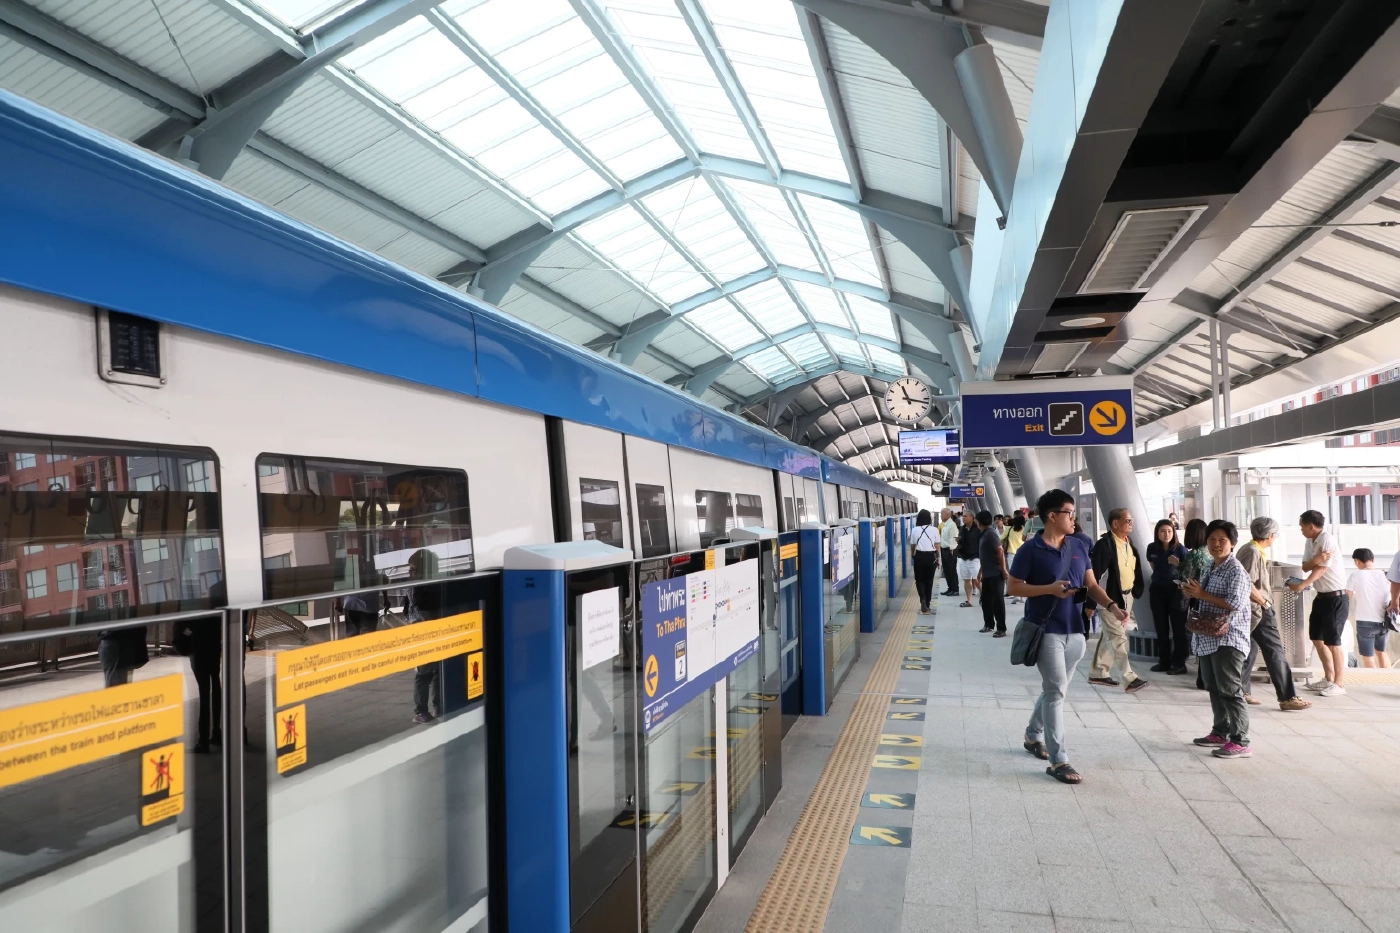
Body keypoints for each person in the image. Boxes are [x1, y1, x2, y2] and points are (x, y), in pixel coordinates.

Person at [1010, 489, 1127, 785]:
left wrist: (1112, 606)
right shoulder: (1030, 550)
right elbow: (1013, 586)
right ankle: (1059, 760)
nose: (1075, 518)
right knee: (1056, 692)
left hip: (1076, 629)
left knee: (1056, 689)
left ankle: (1032, 735)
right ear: (1052, 516)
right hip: (1046, 628)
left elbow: (1092, 584)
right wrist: (1048, 589)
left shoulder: (1078, 545)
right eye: (1070, 513)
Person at [1182, 520, 1253, 759]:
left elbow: (1234, 603)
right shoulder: (1210, 566)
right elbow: (1204, 597)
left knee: (1231, 690)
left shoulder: (1236, 571)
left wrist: (1201, 594)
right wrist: (1192, 591)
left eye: (1222, 540)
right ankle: (1220, 731)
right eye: (1212, 539)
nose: (1216, 544)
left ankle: (1241, 741)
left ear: (1232, 543)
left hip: (1229, 638)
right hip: (1209, 636)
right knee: (1214, 687)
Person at [1236, 518, 1311, 711]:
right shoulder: (1252, 552)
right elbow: (1247, 583)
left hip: (1251, 610)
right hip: (1258, 610)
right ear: (1270, 535)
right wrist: (1264, 603)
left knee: (1250, 651)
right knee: (1275, 651)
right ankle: (1287, 697)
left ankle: (1240, 691)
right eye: (1275, 534)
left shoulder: (1249, 549)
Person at [1087, 508, 1149, 692]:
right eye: (1127, 520)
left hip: (1127, 596)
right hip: (1109, 598)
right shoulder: (1104, 545)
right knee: (1118, 637)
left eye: (1131, 520)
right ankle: (1129, 678)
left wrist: (1135, 591)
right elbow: (1093, 577)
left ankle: (1098, 672)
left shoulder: (1129, 543)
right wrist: (1090, 603)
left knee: (1110, 634)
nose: (1131, 523)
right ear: (1115, 523)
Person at [1288, 510, 1348, 696]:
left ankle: (1339, 684)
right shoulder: (1310, 541)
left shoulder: (1327, 540)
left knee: (1333, 642)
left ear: (1311, 526)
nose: (1301, 530)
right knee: (1316, 637)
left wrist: (1303, 585)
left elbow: (1321, 569)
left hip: (1336, 597)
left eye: (1302, 526)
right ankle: (1329, 678)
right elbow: (1306, 566)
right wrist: (1317, 559)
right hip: (1321, 596)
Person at [403, 549, 443, 724]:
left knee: (437, 671)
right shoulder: (419, 585)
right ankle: (421, 710)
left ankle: (437, 706)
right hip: (423, 630)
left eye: (415, 570)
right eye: (411, 570)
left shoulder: (427, 583)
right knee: (424, 672)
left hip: (430, 628)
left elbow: (407, 608)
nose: (411, 574)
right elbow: (418, 605)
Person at [1146, 519, 1189, 674]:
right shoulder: (1152, 548)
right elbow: (1154, 567)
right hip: (1157, 590)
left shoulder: (1181, 550)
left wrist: (1178, 564)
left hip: (1176, 592)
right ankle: (1163, 661)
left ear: (1174, 533)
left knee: (1178, 628)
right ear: (1157, 533)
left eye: (1169, 531)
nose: (1166, 534)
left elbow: (1188, 573)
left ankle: (1179, 663)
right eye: (1163, 531)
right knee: (1160, 627)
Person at [1347, 547, 1390, 671]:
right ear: (1373, 560)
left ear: (1357, 561)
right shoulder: (1385, 575)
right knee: (1381, 652)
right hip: (1385, 620)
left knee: (1368, 658)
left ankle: (1374, 681)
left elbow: (1347, 598)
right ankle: (1388, 680)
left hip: (1365, 622)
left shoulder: (1355, 575)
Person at [976, 510, 1009, 636]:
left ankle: (1001, 628)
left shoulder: (990, 534)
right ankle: (989, 624)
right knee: (985, 601)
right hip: (987, 573)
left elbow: (1000, 551)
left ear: (979, 522)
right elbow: (985, 556)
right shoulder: (984, 534)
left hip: (995, 573)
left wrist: (1003, 570)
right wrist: (981, 571)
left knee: (997, 601)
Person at [910, 509, 940, 614]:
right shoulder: (935, 530)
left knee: (919, 580)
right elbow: (937, 546)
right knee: (929, 581)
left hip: (919, 556)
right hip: (931, 557)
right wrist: (938, 559)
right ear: (929, 518)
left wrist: (913, 556)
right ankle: (927, 604)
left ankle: (922, 598)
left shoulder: (915, 530)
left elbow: (913, 546)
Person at [957, 510, 981, 607]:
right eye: (963, 516)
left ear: (972, 517)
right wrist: (959, 541)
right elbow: (962, 541)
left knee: (977, 580)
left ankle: (984, 597)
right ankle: (969, 600)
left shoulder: (978, 529)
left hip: (975, 558)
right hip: (964, 557)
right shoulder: (962, 529)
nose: (963, 518)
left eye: (965, 516)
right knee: (967, 579)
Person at [1004, 514, 1027, 605]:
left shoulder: (1009, 529)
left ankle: (1016, 595)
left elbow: (1001, 538)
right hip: (1023, 553)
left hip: (1011, 553)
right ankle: (1023, 595)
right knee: (1023, 574)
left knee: (1013, 574)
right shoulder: (1024, 529)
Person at [939, 508, 960, 597]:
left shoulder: (952, 525)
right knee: (946, 570)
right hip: (944, 550)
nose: (941, 515)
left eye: (942, 513)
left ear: (948, 515)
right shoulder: (945, 525)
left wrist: (952, 551)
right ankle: (950, 588)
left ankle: (955, 589)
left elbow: (953, 538)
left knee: (951, 570)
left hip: (950, 550)